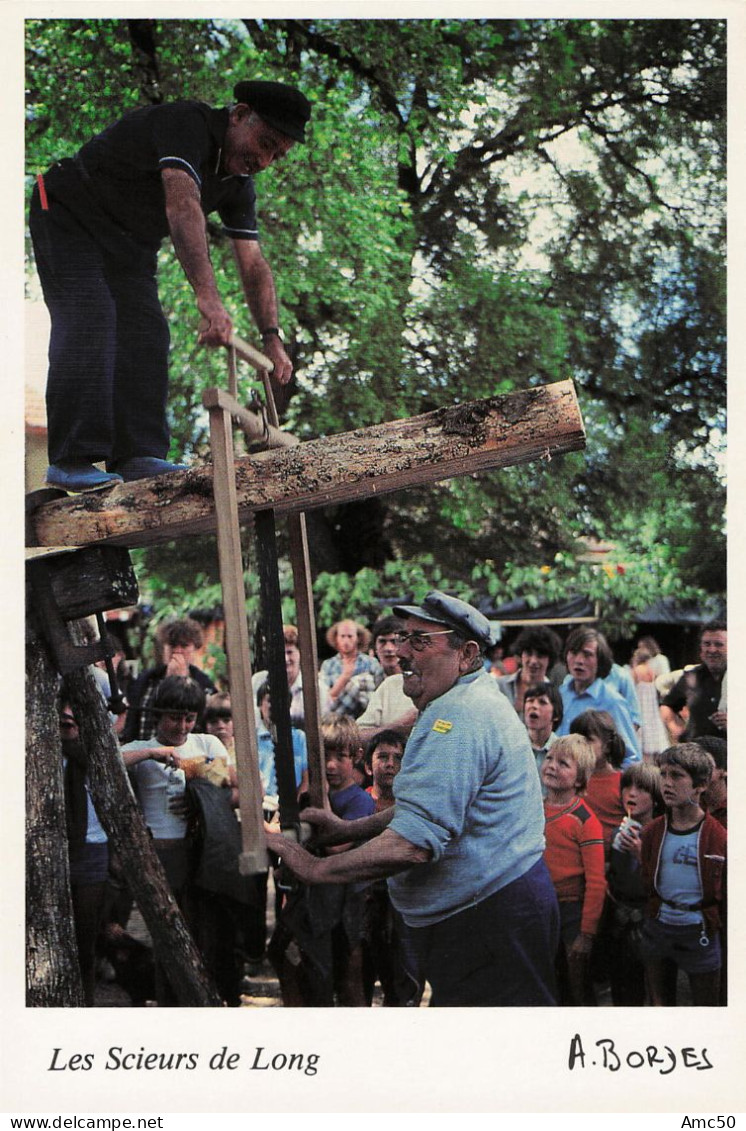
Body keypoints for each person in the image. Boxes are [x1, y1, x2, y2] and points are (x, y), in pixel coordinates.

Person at [269, 590, 560, 1007]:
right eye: (404, 638)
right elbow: (424, 810)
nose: (402, 651)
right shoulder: (456, 704)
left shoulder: (458, 719)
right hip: (487, 916)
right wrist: (349, 829)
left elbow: (413, 843)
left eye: (420, 641)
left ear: (466, 654)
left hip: (489, 920)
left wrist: (316, 868)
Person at [29, 80, 308, 491]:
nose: (264, 160)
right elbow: (182, 203)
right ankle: (72, 458)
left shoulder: (238, 185)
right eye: (264, 142)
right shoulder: (186, 123)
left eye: (277, 155)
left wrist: (272, 337)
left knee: (147, 333)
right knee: (91, 316)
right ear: (239, 114)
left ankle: (139, 454)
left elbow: (253, 262)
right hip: (67, 208)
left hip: (130, 242)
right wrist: (208, 299)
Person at [121, 675, 229, 1004]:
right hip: (155, 854)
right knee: (157, 936)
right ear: (157, 714)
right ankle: (157, 997)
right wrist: (152, 753)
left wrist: (200, 796)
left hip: (198, 855)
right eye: (174, 717)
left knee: (196, 933)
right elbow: (108, 760)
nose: (182, 726)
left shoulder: (207, 745)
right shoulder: (140, 748)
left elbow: (236, 784)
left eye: (189, 718)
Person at [269, 716, 375, 1007]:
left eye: (339, 757)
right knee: (291, 961)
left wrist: (322, 803)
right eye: (323, 756)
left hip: (343, 906)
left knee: (344, 977)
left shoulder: (359, 801)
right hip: (309, 901)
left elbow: (337, 847)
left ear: (355, 757)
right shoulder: (308, 797)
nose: (330, 766)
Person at [639, 743, 726, 1007]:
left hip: (699, 928)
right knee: (660, 1004)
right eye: (663, 774)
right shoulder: (653, 831)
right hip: (660, 926)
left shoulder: (717, 835)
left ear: (700, 785)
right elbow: (645, 878)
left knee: (705, 1007)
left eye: (677, 776)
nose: (666, 783)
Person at [541, 734, 605, 1005]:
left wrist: (586, 934)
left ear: (580, 780)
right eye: (549, 758)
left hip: (572, 911)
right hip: (541, 907)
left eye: (563, 763)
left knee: (577, 985)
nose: (552, 766)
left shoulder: (584, 820)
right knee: (546, 981)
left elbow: (596, 882)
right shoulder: (535, 809)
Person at [59, 699, 110, 1006]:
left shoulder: (97, 758)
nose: (70, 724)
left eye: (76, 720)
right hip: (57, 852)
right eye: (65, 720)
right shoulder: (43, 756)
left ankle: (86, 1003)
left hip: (92, 850)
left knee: (86, 939)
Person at [604, 762, 664, 1006]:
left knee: (655, 990)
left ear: (656, 796)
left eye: (641, 789)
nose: (631, 793)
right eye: (627, 786)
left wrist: (641, 854)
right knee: (624, 989)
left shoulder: (661, 832)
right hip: (620, 920)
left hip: (650, 922)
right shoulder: (621, 830)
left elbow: (664, 882)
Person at [557, 626, 641, 765]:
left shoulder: (612, 701)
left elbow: (632, 758)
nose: (579, 660)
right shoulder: (561, 694)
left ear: (600, 661)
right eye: (573, 652)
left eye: (587, 654)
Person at [122, 618, 215, 742]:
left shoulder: (203, 684)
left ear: (194, 649)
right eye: (172, 645)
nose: (177, 650)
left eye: (184, 645)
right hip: (144, 752)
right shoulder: (145, 680)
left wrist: (180, 682)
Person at [569, 709, 627, 858]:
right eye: (577, 740)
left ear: (607, 745)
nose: (581, 746)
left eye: (588, 740)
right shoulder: (571, 780)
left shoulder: (624, 782)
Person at [251, 624, 330, 731]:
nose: (285, 658)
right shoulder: (258, 681)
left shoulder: (317, 688)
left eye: (289, 652)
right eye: (279, 653)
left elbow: (323, 728)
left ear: (300, 653)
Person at [660, 621, 727, 743]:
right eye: (707, 644)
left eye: (719, 644)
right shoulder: (691, 677)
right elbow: (667, 705)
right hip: (698, 753)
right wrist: (674, 728)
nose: (712, 650)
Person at [356, 617, 418, 742]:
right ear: (373, 649)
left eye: (394, 642)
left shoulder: (441, 685)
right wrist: (397, 727)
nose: (389, 648)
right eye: (382, 642)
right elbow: (354, 735)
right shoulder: (382, 684)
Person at [320, 619, 383, 718]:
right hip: (336, 719)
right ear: (336, 638)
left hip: (365, 717)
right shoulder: (328, 665)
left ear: (358, 638)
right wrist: (345, 677)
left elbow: (379, 693)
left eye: (350, 636)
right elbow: (325, 699)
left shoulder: (371, 663)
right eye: (342, 636)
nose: (346, 641)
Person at [497, 626, 561, 716]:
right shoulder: (498, 686)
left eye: (540, 655)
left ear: (549, 660)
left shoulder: (554, 696)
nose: (533, 661)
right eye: (529, 653)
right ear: (520, 655)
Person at [523, 682, 563, 789]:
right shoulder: (513, 745)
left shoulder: (563, 751)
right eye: (530, 701)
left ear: (556, 715)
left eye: (542, 702)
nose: (534, 706)